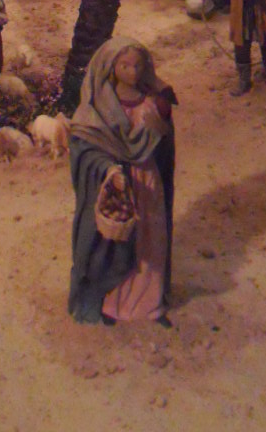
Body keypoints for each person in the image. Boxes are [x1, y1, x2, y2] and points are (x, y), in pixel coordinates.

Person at [68, 37, 176, 326]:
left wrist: (160, 121)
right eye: (125, 65)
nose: (132, 72)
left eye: (138, 65)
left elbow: (162, 143)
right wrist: (108, 170)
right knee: (115, 245)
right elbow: (85, 147)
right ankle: (111, 304)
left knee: (151, 241)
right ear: (110, 66)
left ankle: (151, 304)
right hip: (117, 186)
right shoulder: (99, 106)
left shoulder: (151, 101)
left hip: (147, 181)